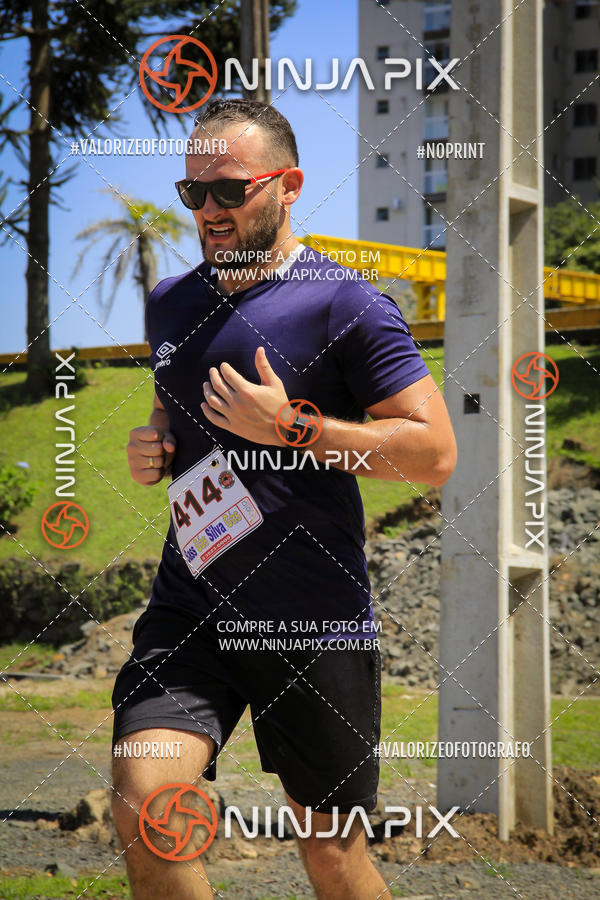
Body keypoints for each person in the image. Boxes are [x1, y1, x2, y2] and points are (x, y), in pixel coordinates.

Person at [111, 98, 457, 900]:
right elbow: (175, 412)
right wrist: (154, 446)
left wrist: (293, 427)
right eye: (193, 193)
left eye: (228, 191)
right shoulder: (171, 301)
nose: (208, 212)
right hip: (190, 606)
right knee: (147, 806)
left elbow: (434, 452)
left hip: (313, 617)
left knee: (331, 856)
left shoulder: (348, 303)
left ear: (289, 185)